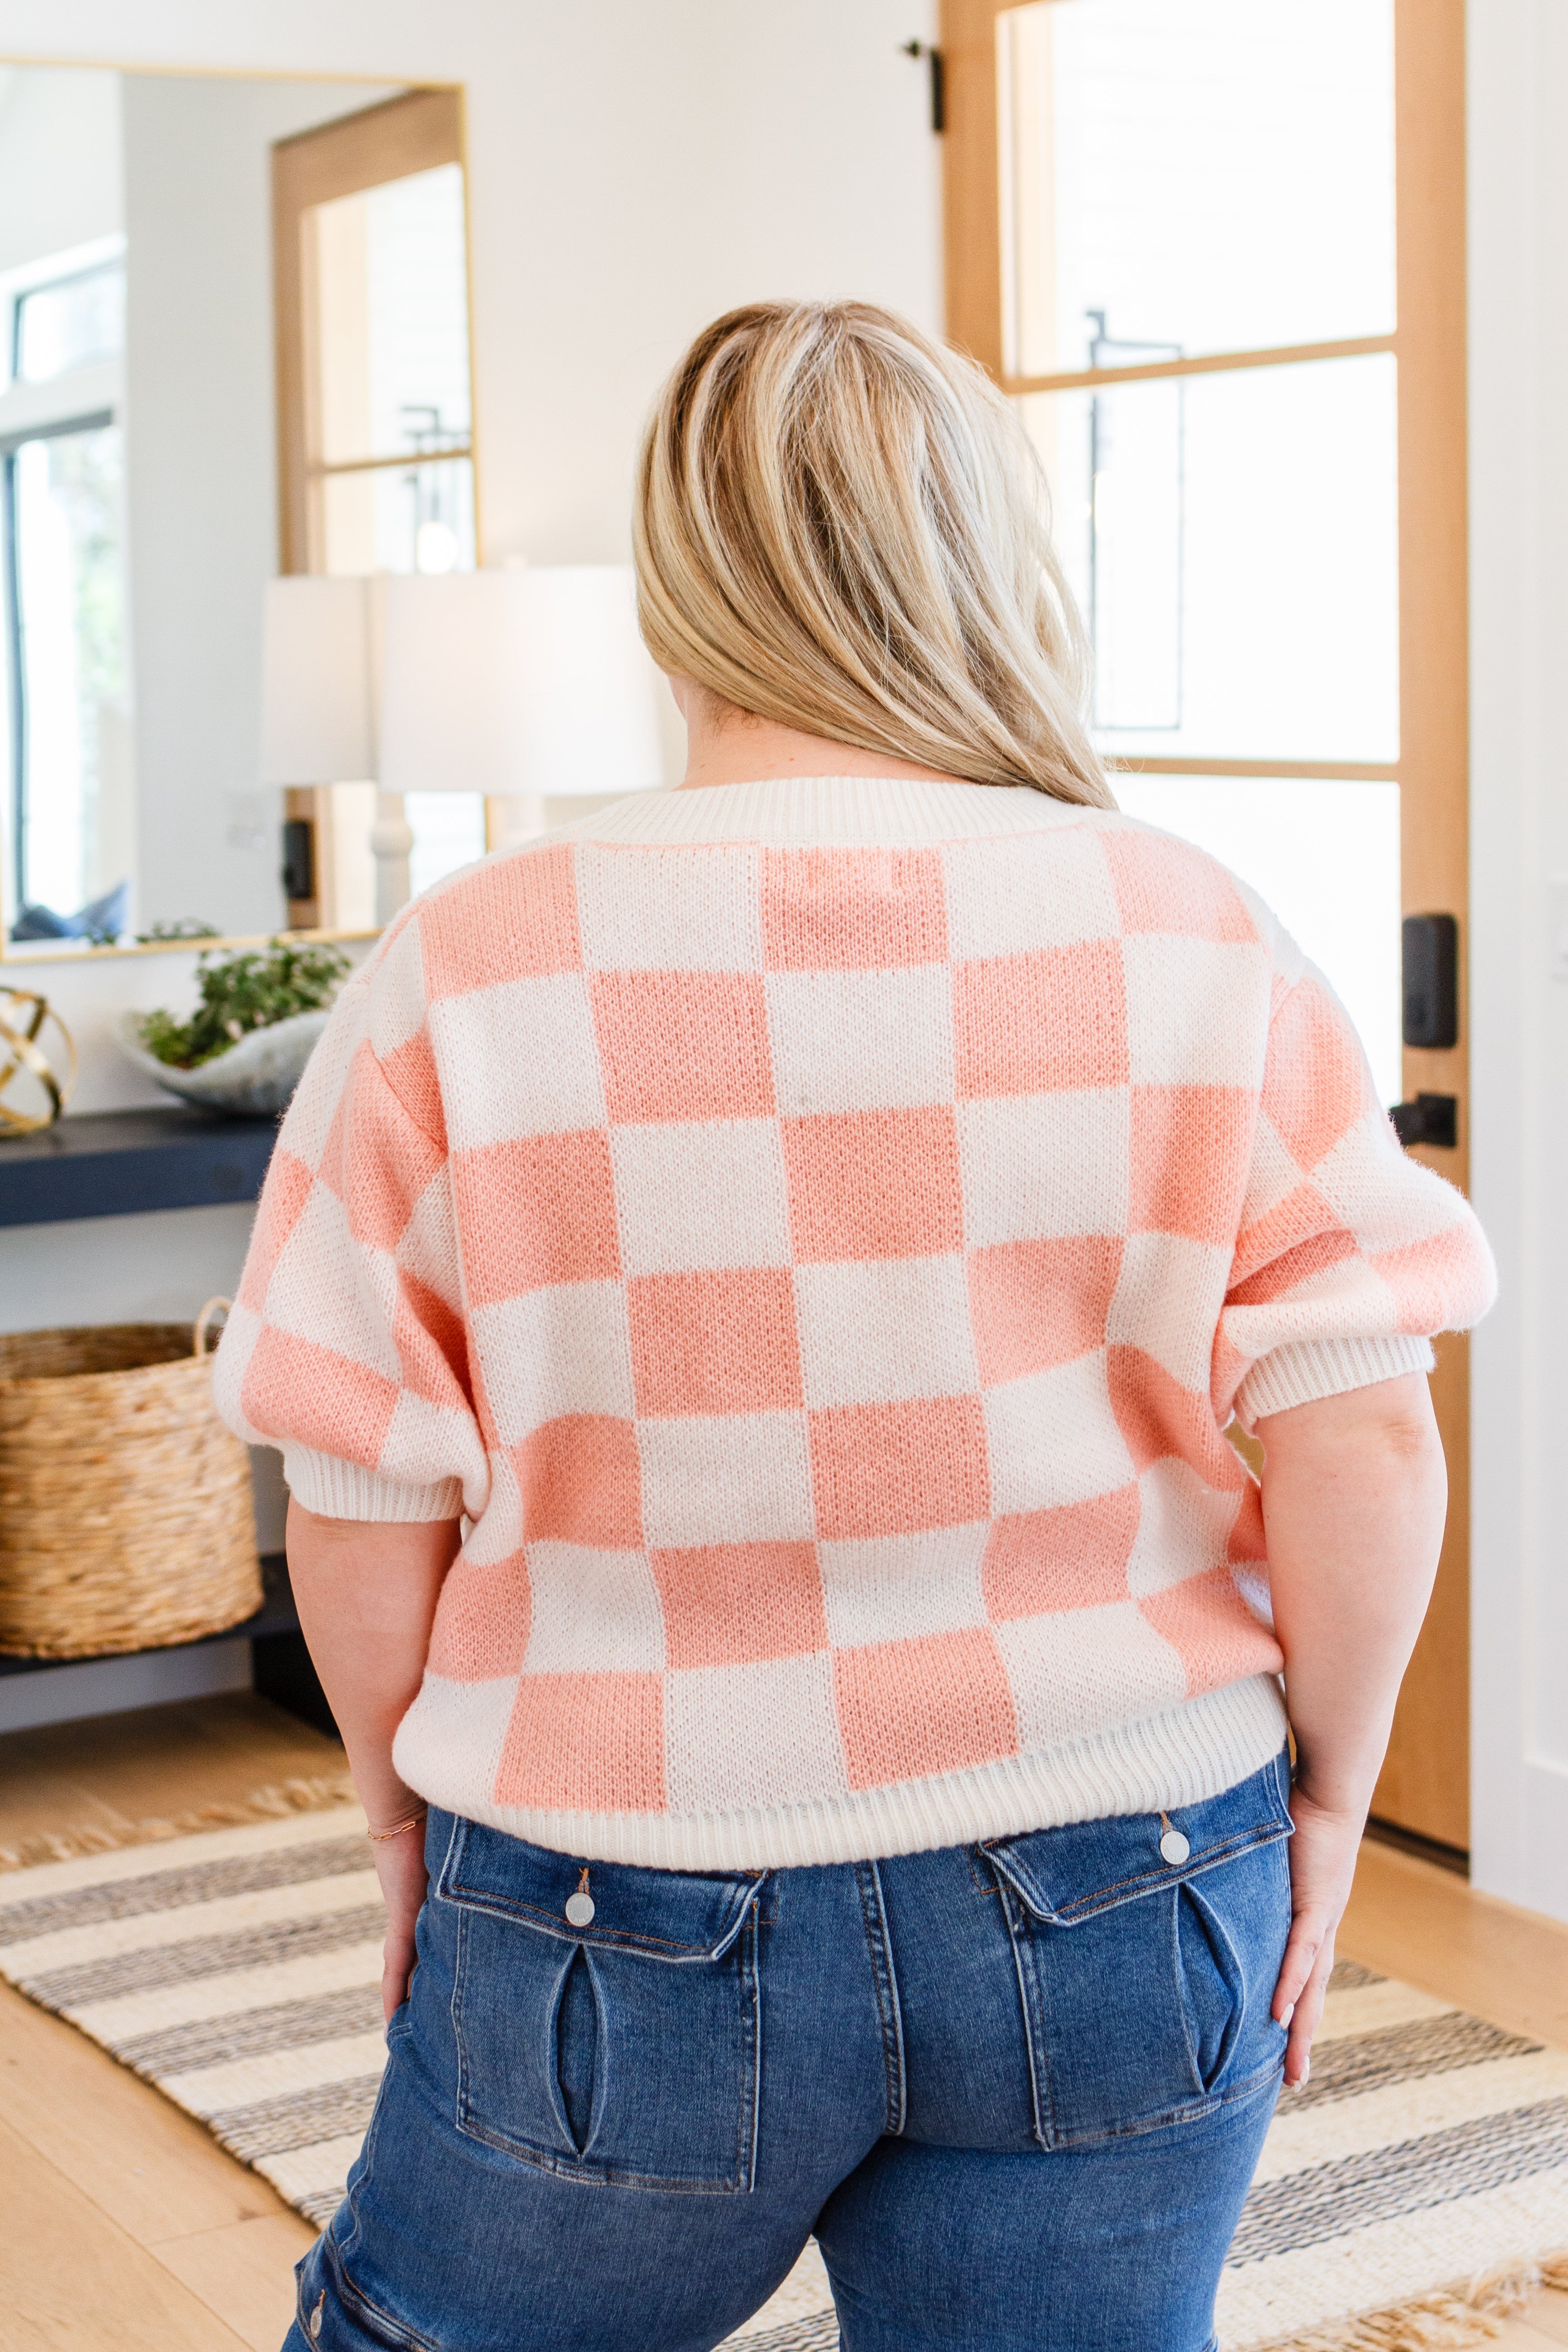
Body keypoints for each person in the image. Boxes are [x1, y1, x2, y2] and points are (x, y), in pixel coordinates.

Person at [217, 300, 1494, 2352]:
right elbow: (1366, 1431)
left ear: (677, 577)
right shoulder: (1193, 927)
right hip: (1134, 1860)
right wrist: (1332, 1801)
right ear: (988, 554)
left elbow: (358, 1489)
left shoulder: (468, 962)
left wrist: (393, 1820)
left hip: (608, 1889)